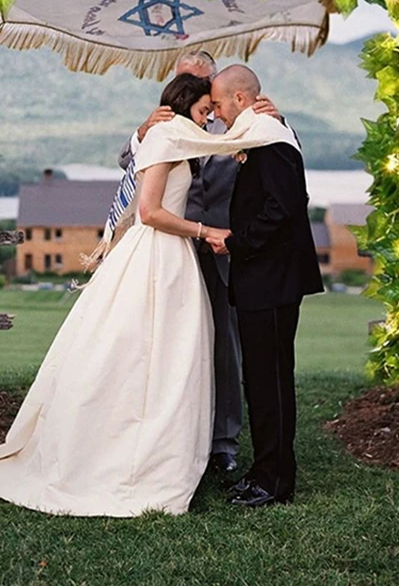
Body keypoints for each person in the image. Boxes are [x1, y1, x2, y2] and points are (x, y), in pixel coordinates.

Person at [0, 73, 299, 517]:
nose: (210, 118)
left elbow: (254, 150)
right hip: (162, 254)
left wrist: (274, 121)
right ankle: (124, 456)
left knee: (188, 360)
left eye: (214, 108)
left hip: (196, 262)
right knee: (134, 354)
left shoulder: (220, 135)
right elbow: (149, 211)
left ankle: (205, 451)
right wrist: (206, 230)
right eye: (204, 110)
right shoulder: (163, 136)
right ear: (184, 106)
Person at [119, 50, 281, 475]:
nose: (189, 91)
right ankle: (166, 439)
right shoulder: (165, 125)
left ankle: (222, 444)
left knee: (224, 348)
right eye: (182, 82)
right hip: (173, 251)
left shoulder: (239, 118)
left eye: (199, 84)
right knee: (165, 347)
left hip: (226, 250)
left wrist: (277, 121)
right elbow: (131, 165)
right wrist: (141, 132)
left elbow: (276, 154)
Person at [208, 65, 324, 508]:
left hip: (273, 282)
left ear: (240, 99)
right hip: (261, 281)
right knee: (258, 382)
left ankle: (276, 482)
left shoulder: (271, 141)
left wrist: (235, 242)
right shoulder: (259, 136)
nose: (216, 114)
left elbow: (283, 208)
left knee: (270, 383)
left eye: (218, 104)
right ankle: (262, 471)